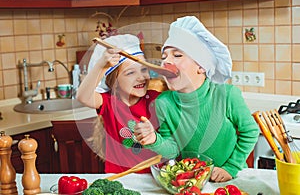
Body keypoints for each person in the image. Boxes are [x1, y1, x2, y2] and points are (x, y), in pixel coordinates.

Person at [134, 16, 260, 182]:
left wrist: (231, 168)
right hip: (192, 181)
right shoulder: (163, 103)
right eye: (164, 57)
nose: (166, 62)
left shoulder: (227, 95)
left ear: (201, 66)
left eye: (177, 55)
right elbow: (173, 150)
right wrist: (154, 140)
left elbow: (250, 132)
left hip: (232, 179)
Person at [76, 34, 162, 173]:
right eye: (130, 73)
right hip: (122, 179)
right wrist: (101, 66)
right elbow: (83, 96)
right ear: (114, 82)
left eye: (144, 69)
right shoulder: (110, 103)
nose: (141, 77)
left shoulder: (157, 99)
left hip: (155, 179)